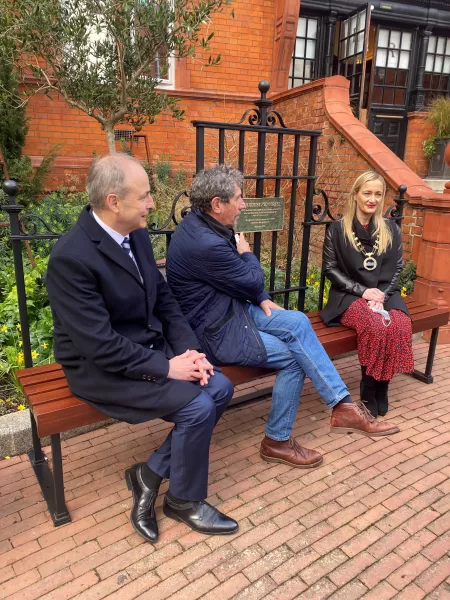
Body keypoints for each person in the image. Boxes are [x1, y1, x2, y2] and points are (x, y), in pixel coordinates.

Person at [45, 154, 238, 543]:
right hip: (99, 368)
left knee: (219, 387)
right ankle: (183, 500)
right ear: (114, 201)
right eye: (145, 195)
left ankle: (148, 474)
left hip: (146, 349)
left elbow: (164, 300)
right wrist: (168, 368)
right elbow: (99, 345)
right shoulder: (71, 258)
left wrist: (190, 353)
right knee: (198, 406)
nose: (152, 203)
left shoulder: (134, 234)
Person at [166, 165, 399, 470]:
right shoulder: (205, 242)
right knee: (292, 357)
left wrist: (261, 298)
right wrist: (246, 252)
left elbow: (238, 283)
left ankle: (342, 406)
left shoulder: (205, 223)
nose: (244, 204)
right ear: (217, 203)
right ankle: (277, 440)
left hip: (232, 311)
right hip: (218, 331)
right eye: (239, 198)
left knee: (298, 321)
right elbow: (250, 280)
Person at [321, 170, 414, 417]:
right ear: (355, 195)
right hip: (349, 295)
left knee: (400, 324)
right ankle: (368, 386)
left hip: (386, 292)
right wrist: (363, 292)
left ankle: (383, 386)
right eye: (367, 193)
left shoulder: (390, 229)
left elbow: (397, 268)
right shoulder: (338, 229)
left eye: (378, 194)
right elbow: (330, 269)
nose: (372, 199)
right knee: (375, 325)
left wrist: (381, 295)